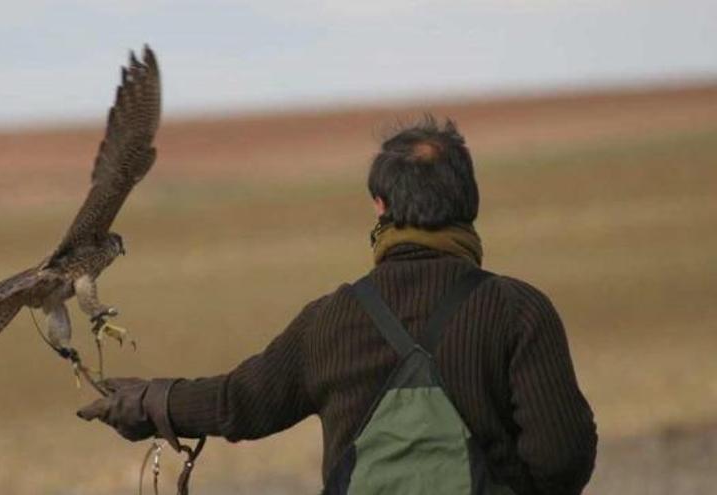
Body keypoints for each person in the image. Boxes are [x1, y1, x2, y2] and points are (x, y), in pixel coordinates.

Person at [77, 116, 598, 494]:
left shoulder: (329, 320)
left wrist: (149, 401)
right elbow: (563, 458)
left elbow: (240, 403)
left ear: (380, 206)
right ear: (470, 203)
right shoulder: (518, 310)